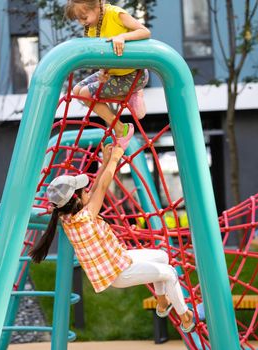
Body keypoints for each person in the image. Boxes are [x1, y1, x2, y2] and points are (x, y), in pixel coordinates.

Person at [30, 142, 196, 333]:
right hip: (119, 273)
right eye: (83, 191)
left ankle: (161, 302)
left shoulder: (66, 216)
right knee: (169, 272)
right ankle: (185, 317)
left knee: (162, 256)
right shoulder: (85, 218)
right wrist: (116, 157)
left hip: (120, 259)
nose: (88, 191)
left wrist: (105, 160)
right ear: (75, 199)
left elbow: (95, 188)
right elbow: (101, 187)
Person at [65, 0, 151, 149]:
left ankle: (120, 128)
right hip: (114, 73)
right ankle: (128, 96)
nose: (81, 23)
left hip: (133, 75)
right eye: (78, 20)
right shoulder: (91, 28)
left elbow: (145, 32)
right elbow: (103, 56)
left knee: (86, 93)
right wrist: (103, 72)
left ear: (98, 6)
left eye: (84, 18)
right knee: (77, 91)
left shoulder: (116, 15)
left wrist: (123, 37)